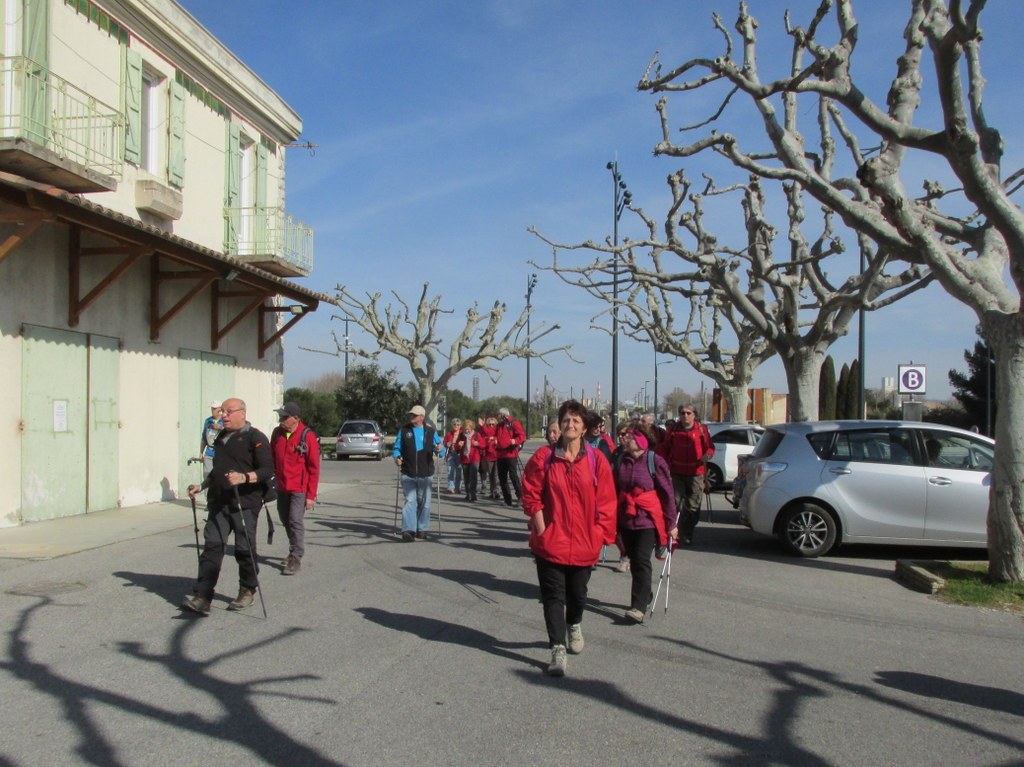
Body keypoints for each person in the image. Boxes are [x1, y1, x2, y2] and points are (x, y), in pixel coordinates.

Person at [521, 400, 617, 677]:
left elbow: (607, 502)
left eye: (576, 421)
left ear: (584, 427)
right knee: (553, 596)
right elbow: (530, 494)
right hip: (551, 541)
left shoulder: (597, 460)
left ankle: (574, 623)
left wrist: (601, 535)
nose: (570, 425)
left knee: (577, 595)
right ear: (560, 426)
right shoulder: (544, 458)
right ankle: (557, 649)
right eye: (566, 420)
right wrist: (541, 528)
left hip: (586, 541)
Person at [183, 397, 273, 615]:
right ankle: (203, 596)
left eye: (228, 411)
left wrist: (244, 477)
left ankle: (247, 590)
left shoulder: (256, 438)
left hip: (245, 503)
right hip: (220, 502)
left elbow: (267, 470)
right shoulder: (222, 437)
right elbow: (217, 470)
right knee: (212, 547)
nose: (223, 415)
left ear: (242, 413)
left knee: (244, 549)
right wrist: (202, 485)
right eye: (222, 411)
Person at [613, 419, 677, 623]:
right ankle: (645, 595)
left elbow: (667, 494)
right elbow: (614, 489)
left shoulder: (655, 461)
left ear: (641, 439)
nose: (625, 439)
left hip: (647, 520)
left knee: (641, 560)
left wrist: (671, 525)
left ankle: (638, 607)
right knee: (633, 558)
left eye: (630, 436)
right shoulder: (621, 459)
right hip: (626, 518)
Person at [270, 401, 320, 576]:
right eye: (280, 416)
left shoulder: (307, 436)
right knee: (285, 519)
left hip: (299, 488)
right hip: (282, 487)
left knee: (294, 520)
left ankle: (296, 556)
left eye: (284, 416)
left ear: (296, 418)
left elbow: (314, 468)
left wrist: (311, 496)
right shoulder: (277, 434)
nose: (281, 419)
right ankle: (293, 549)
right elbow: (271, 459)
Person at [657, 403, 714, 545]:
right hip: (677, 473)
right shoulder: (673, 430)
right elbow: (665, 448)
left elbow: (710, 448)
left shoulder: (702, 429)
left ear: (694, 415)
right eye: (683, 413)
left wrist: (707, 455)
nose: (685, 416)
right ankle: (676, 531)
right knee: (675, 503)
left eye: (689, 413)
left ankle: (687, 532)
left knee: (693, 505)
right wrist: (664, 465)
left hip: (697, 473)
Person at [392, 405, 444, 541]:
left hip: (425, 473)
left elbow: (441, 451)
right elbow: (397, 448)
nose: (411, 417)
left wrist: (439, 449)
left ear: (422, 417)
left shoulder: (430, 432)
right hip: (408, 472)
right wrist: (397, 457)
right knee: (410, 500)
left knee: (424, 502)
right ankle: (408, 530)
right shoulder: (404, 431)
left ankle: (422, 528)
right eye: (411, 415)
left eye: (414, 415)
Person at [495, 407, 526, 507]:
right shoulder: (499, 425)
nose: (497, 417)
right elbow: (496, 435)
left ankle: (520, 497)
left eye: (498, 415)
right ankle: (507, 499)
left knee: (513, 476)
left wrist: (514, 441)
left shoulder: (514, 423)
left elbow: (522, 436)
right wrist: (494, 439)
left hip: (511, 453)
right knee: (502, 478)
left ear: (503, 415)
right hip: (500, 454)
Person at [453, 418, 486, 502]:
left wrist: (477, 443)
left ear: (472, 428)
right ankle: (468, 494)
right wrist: (459, 445)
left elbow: (483, 445)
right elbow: (456, 448)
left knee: (473, 477)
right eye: (465, 429)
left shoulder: (476, 435)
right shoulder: (461, 435)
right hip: (465, 458)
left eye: (468, 429)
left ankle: (473, 494)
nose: (466, 431)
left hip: (475, 458)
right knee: (466, 477)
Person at [199, 400, 223, 477]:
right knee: (207, 476)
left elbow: (231, 431)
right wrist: (201, 452)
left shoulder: (225, 420)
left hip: (221, 453)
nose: (213, 410)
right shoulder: (208, 421)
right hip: (209, 453)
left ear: (220, 409)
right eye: (212, 408)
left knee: (219, 476)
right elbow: (204, 438)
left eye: (215, 408)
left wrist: (220, 427)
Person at [478, 415, 499, 499]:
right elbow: (482, 442)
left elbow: (491, 433)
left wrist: (483, 426)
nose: (491, 426)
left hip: (497, 456)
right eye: (489, 424)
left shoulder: (497, 431)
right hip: (488, 456)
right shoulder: (484, 432)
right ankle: (492, 491)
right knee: (490, 475)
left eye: (493, 424)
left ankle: (496, 491)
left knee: (496, 475)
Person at [442, 418, 463, 494]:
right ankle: (451, 487)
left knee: (459, 472)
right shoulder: (449, 433)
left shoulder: (462, 433)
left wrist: (461, 444)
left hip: (459, 454)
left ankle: (457, 487)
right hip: (451, 454)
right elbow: (444, 442)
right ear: (452, 425)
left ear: (460, 426)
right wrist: (447, 444)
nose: (456, 426)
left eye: (458, 424)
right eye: (454, 424)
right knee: (450, 471)